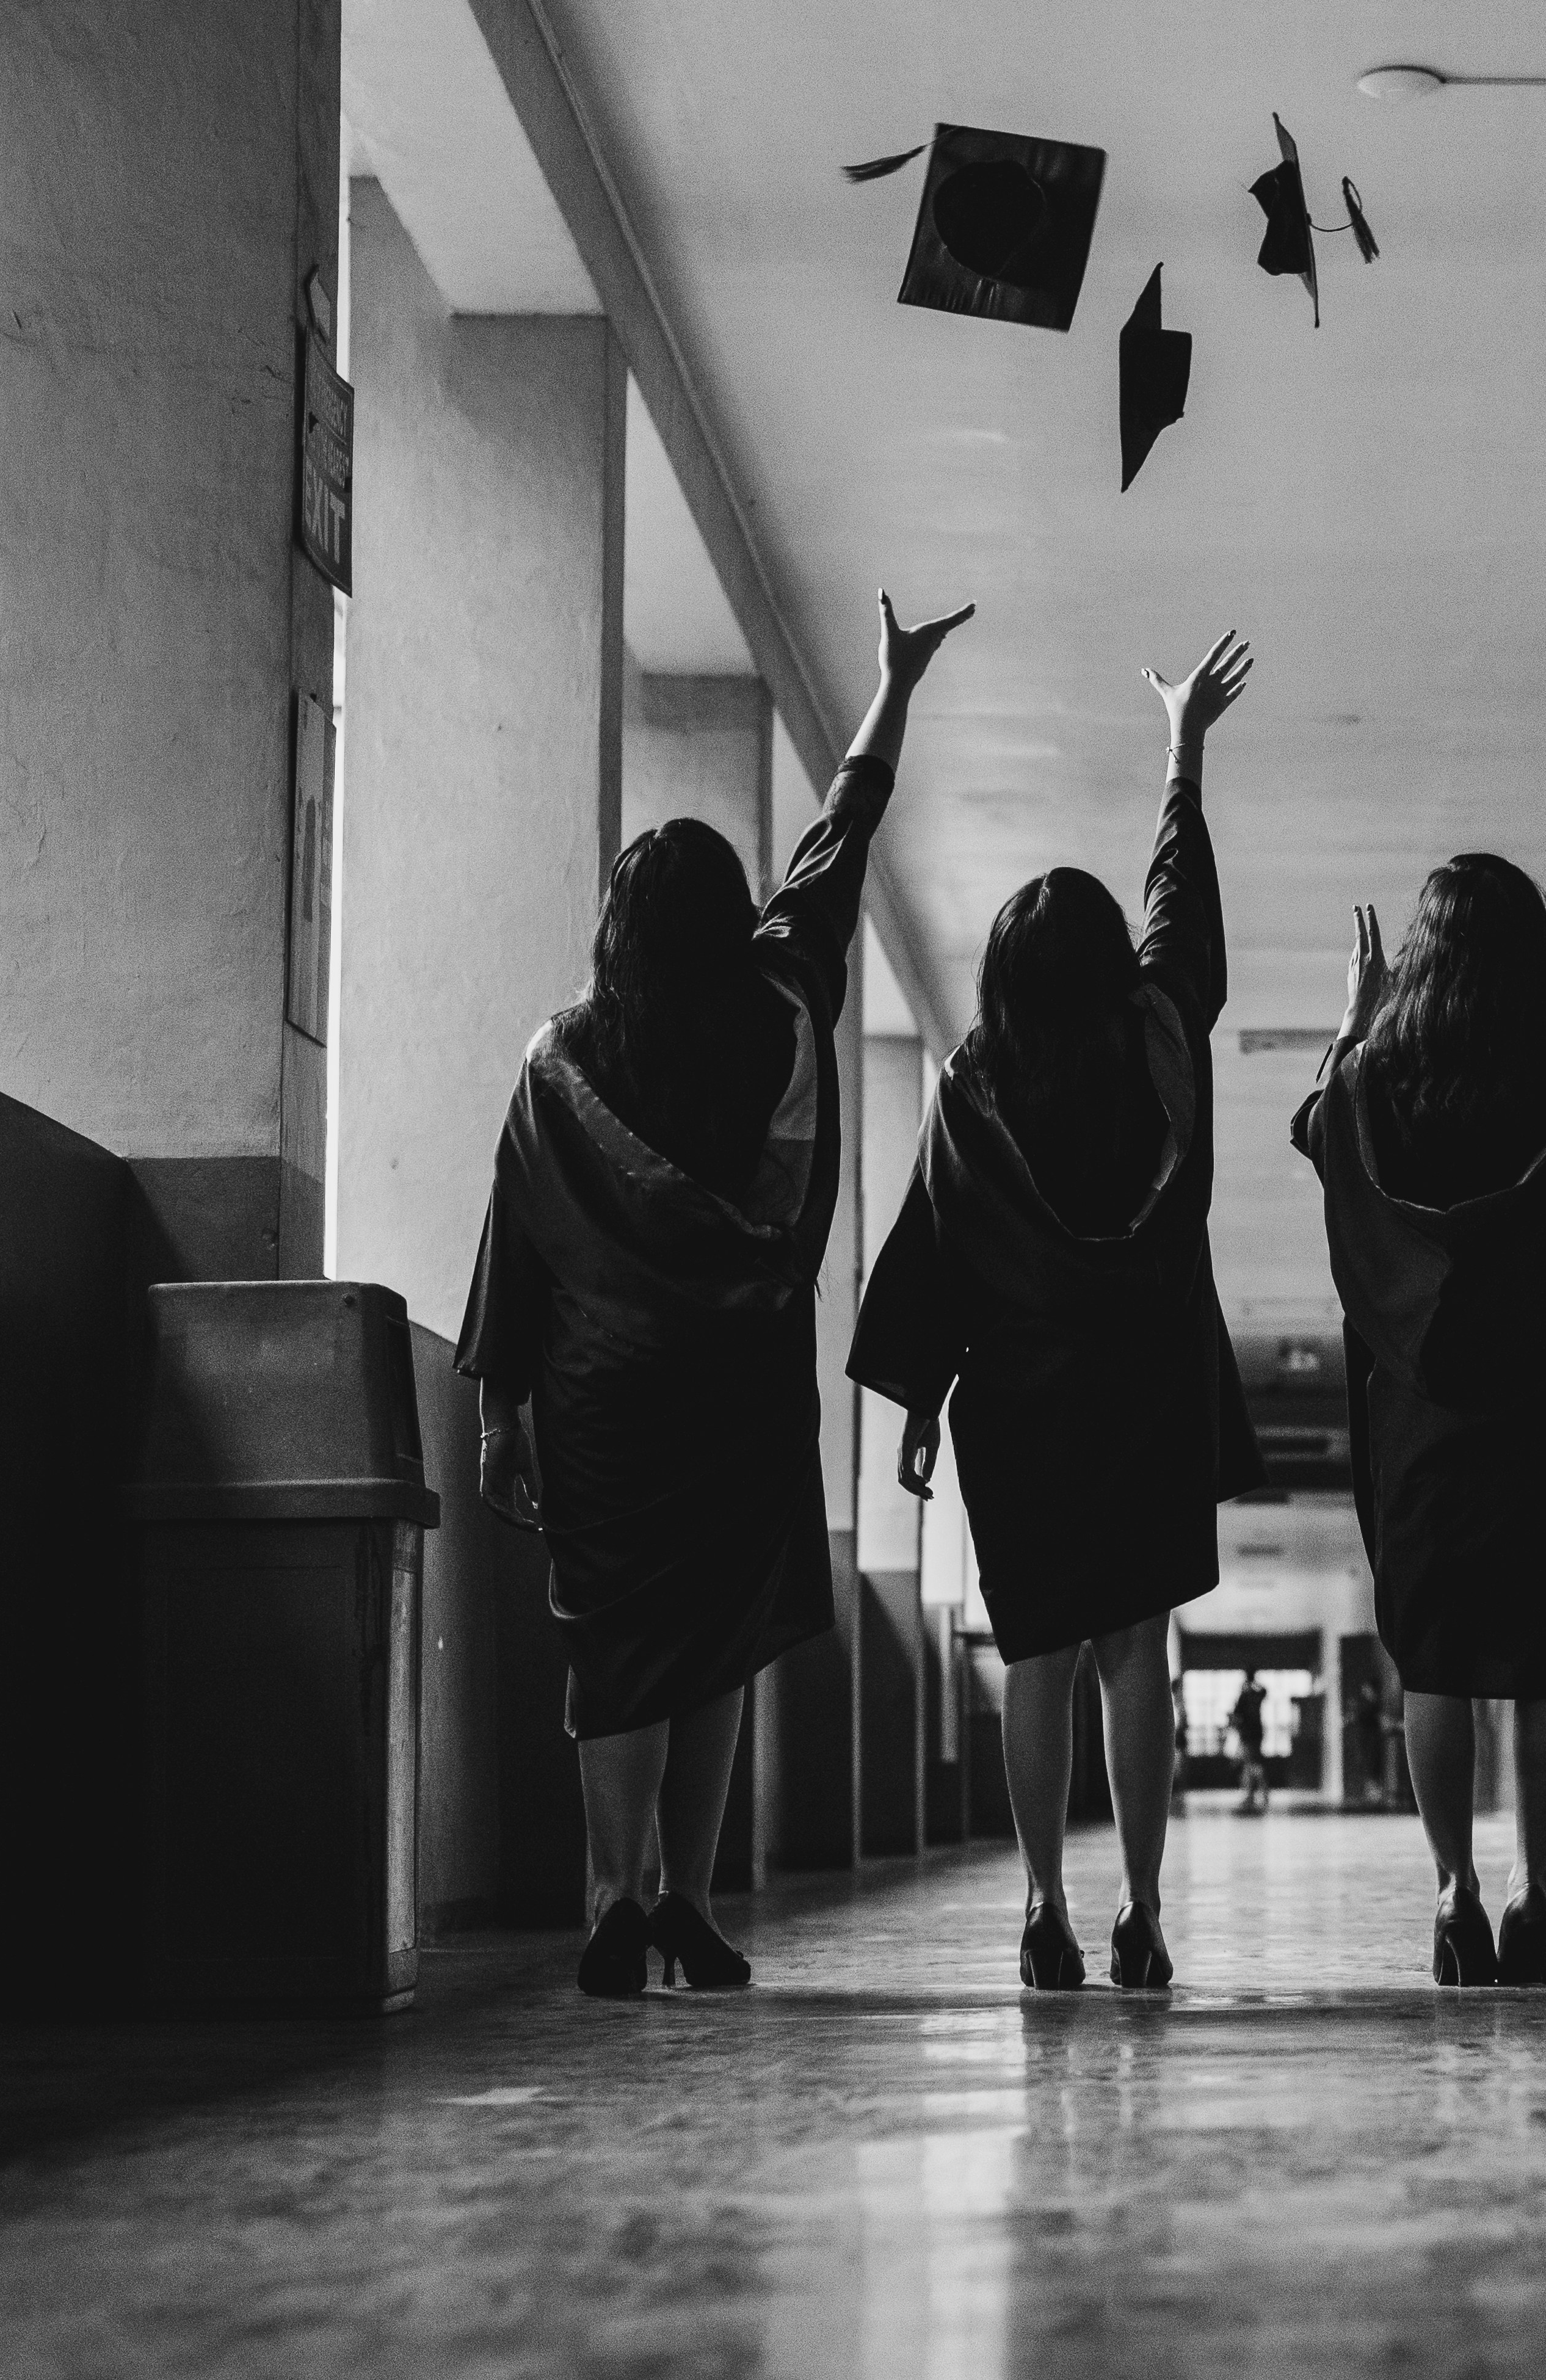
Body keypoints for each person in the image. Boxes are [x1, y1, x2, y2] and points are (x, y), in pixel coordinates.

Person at [465, 591, 974, 2000]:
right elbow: (841, 834)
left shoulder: (563, 1060)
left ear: (616, 929)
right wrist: (892, 685)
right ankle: (688, 1896)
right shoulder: (783, 1001)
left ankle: (610, 1898)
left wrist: (502, 1414)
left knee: (616, 1646)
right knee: (714, 1643)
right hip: (740, 1393)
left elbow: (514, 1239)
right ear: (728, 915)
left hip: (602, 1405)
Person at [848, 633, 1263, 1992]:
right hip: (1148, 1392)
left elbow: (936, 1242)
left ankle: (1043, 1905)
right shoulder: (1160, 1039)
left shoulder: (972, 1088)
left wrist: (920, 1398)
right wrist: (1181, 749)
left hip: (1022, 1408)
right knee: (1138, 1652)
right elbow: (1177, 910)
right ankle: (1142, 1910)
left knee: (1039, 1654)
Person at [1294, 856, 1546, 1986]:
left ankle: (1452, 1890)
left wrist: (1354, 1022)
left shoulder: (1378, 1080)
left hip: (1421, 1411)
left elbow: (1319, 1135)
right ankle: (1533, 1889)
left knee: (1435, 1662)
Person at [1228, 1671, 1270, 1815]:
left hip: (1248, 1735)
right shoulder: (1256, 1695)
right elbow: (1265, 1691)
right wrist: (1254, 1684)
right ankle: (1256, 1793)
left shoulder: (1245, 1696)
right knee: (1253, 1764)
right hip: (1257, 1734)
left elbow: (1236, 1716)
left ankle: (1255, 1793)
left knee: (1251, 1764)